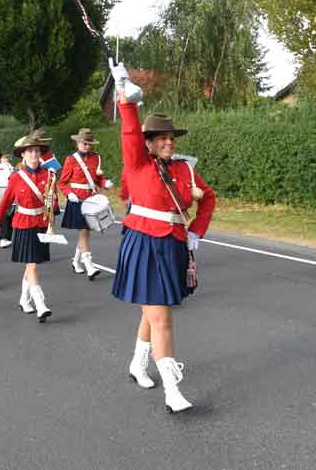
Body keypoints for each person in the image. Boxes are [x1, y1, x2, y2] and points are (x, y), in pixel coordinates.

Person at [109, 63, 216, 414]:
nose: (169, 142)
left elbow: (209, 197)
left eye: (172, 138)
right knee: (162, 316)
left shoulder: (185, 168)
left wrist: (197, 231)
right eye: (162, 139)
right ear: (150, 143)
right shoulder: (139, 163)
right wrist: (126, 96)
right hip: (143, 242)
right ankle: (172, 389)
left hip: (173, 243)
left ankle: (138, 364)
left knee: (155, 310)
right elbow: (128, 133)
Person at [0, 130, 59, 322]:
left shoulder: (49, 174)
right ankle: (40, 304)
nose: (34, 154)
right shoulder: (16, 177)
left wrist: (52, 207)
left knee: (33, 264)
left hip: (41, 223)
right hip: (23, 224)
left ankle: (24, 299)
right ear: (22, 154)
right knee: (32, 265)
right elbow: (6, 201)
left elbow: (53, 201)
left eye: (37, 151)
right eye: (29, 151)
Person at [58, 128, 114, 279]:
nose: (87, 146)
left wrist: (105, 182)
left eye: (89, 144)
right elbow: (62, 183)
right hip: (77, 199)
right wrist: (69, 194)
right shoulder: (71, 159)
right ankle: (89, 265)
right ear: (77, 143)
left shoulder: (96, 158)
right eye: (84, 143)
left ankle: (76, 261)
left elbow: (98, 178)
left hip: (91, 199)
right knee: (84, 232)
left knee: (86, 232)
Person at [0, 154, 15, 249]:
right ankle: (3, 238)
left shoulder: (14, 171)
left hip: (10, 197)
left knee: (9, 218)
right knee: (5, 217)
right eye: (2, 162)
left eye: (6, 162)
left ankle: (6, 238)